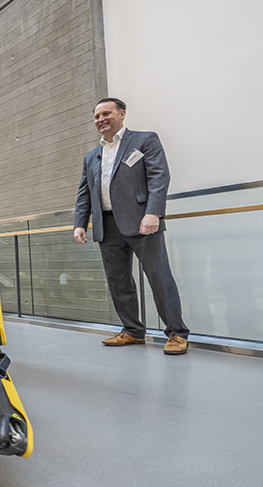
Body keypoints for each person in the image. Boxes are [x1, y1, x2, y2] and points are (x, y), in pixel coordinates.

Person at [74, 97, 189, 355]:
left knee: (159, 277)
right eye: (96, 116)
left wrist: (154, 213)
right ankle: (133, 331)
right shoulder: (92, 155)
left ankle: (177, 333)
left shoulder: (145, 140)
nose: (100, 119)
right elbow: (85, 192)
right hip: (106, 224)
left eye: (106, 113)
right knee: (118, 281)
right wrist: (80, 223)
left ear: (122, 114)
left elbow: (159, 176)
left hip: (142, 221)